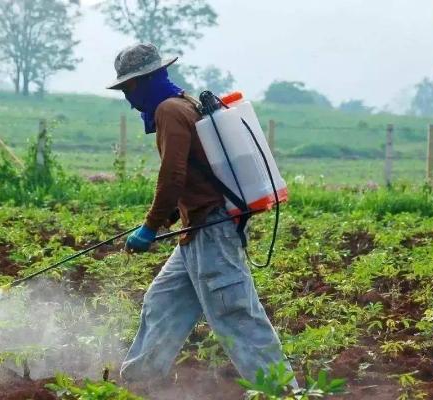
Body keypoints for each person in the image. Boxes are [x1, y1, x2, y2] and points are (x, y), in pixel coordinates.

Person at [107, 43, 296, 387]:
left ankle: (283, 393)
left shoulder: (168, 110)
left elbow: (174, 175)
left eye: (128, 88)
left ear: (144, 81)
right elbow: (195, 175)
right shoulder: (183, 103)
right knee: (162, 302)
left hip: (210, 230)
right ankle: (137, 385)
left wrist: (151, 226)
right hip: (197, 229)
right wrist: (166, 220)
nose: (128, 98)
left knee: (236, 315)